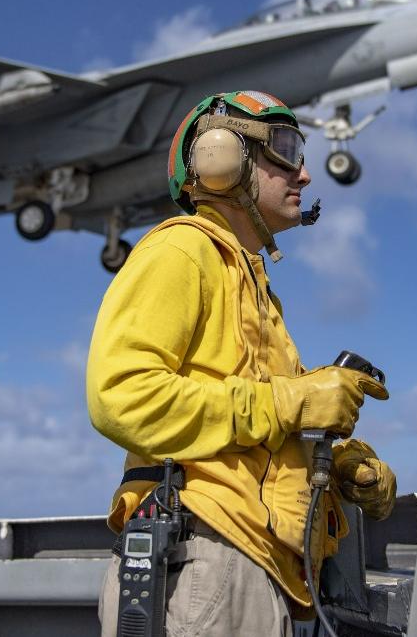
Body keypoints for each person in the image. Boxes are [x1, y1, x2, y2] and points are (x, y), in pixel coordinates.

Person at [87, 90, 396, 636]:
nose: (302, 174)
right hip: (207, 558)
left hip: (248, 567)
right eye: (284, 150)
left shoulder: (252, 284)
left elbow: (268, 426)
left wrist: (340, 465)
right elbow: (122, 396)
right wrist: (289, 400)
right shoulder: (181, 250)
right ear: (220, 159)